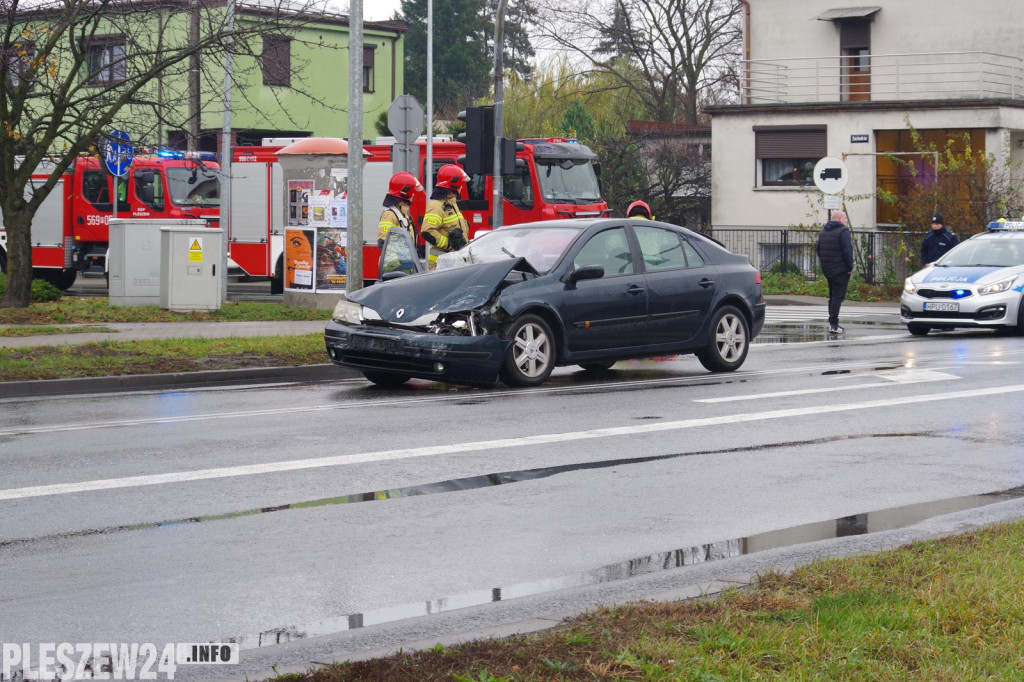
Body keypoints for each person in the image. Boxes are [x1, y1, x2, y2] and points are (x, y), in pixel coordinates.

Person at [421, 164, 470, 269]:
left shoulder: (452, 204)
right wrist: (449, 244)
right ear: (454, 185)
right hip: (440, 265)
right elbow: (427, 231)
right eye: (461, 183)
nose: (462, 187)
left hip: (453, 262)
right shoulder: (436, 206)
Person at [815, 209, 854, 335]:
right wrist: (849, 268)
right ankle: (834, 324)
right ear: (840, 219)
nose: (846, 221)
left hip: (828, 269)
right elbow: (847, 251)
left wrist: (825, 264)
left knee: (832, 296)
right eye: (845, 219)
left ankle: (832, 323)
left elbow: (818, 249)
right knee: (838, 296)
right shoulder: (843, 232)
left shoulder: (823, 231)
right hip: (841, 269)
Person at [377, 172, 423, 249]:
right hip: (396, 261)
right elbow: (384, 244)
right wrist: (400, 261)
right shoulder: (389, 215)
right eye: (412, 192)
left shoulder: (402, 213)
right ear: (405, 192)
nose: (413, 195)